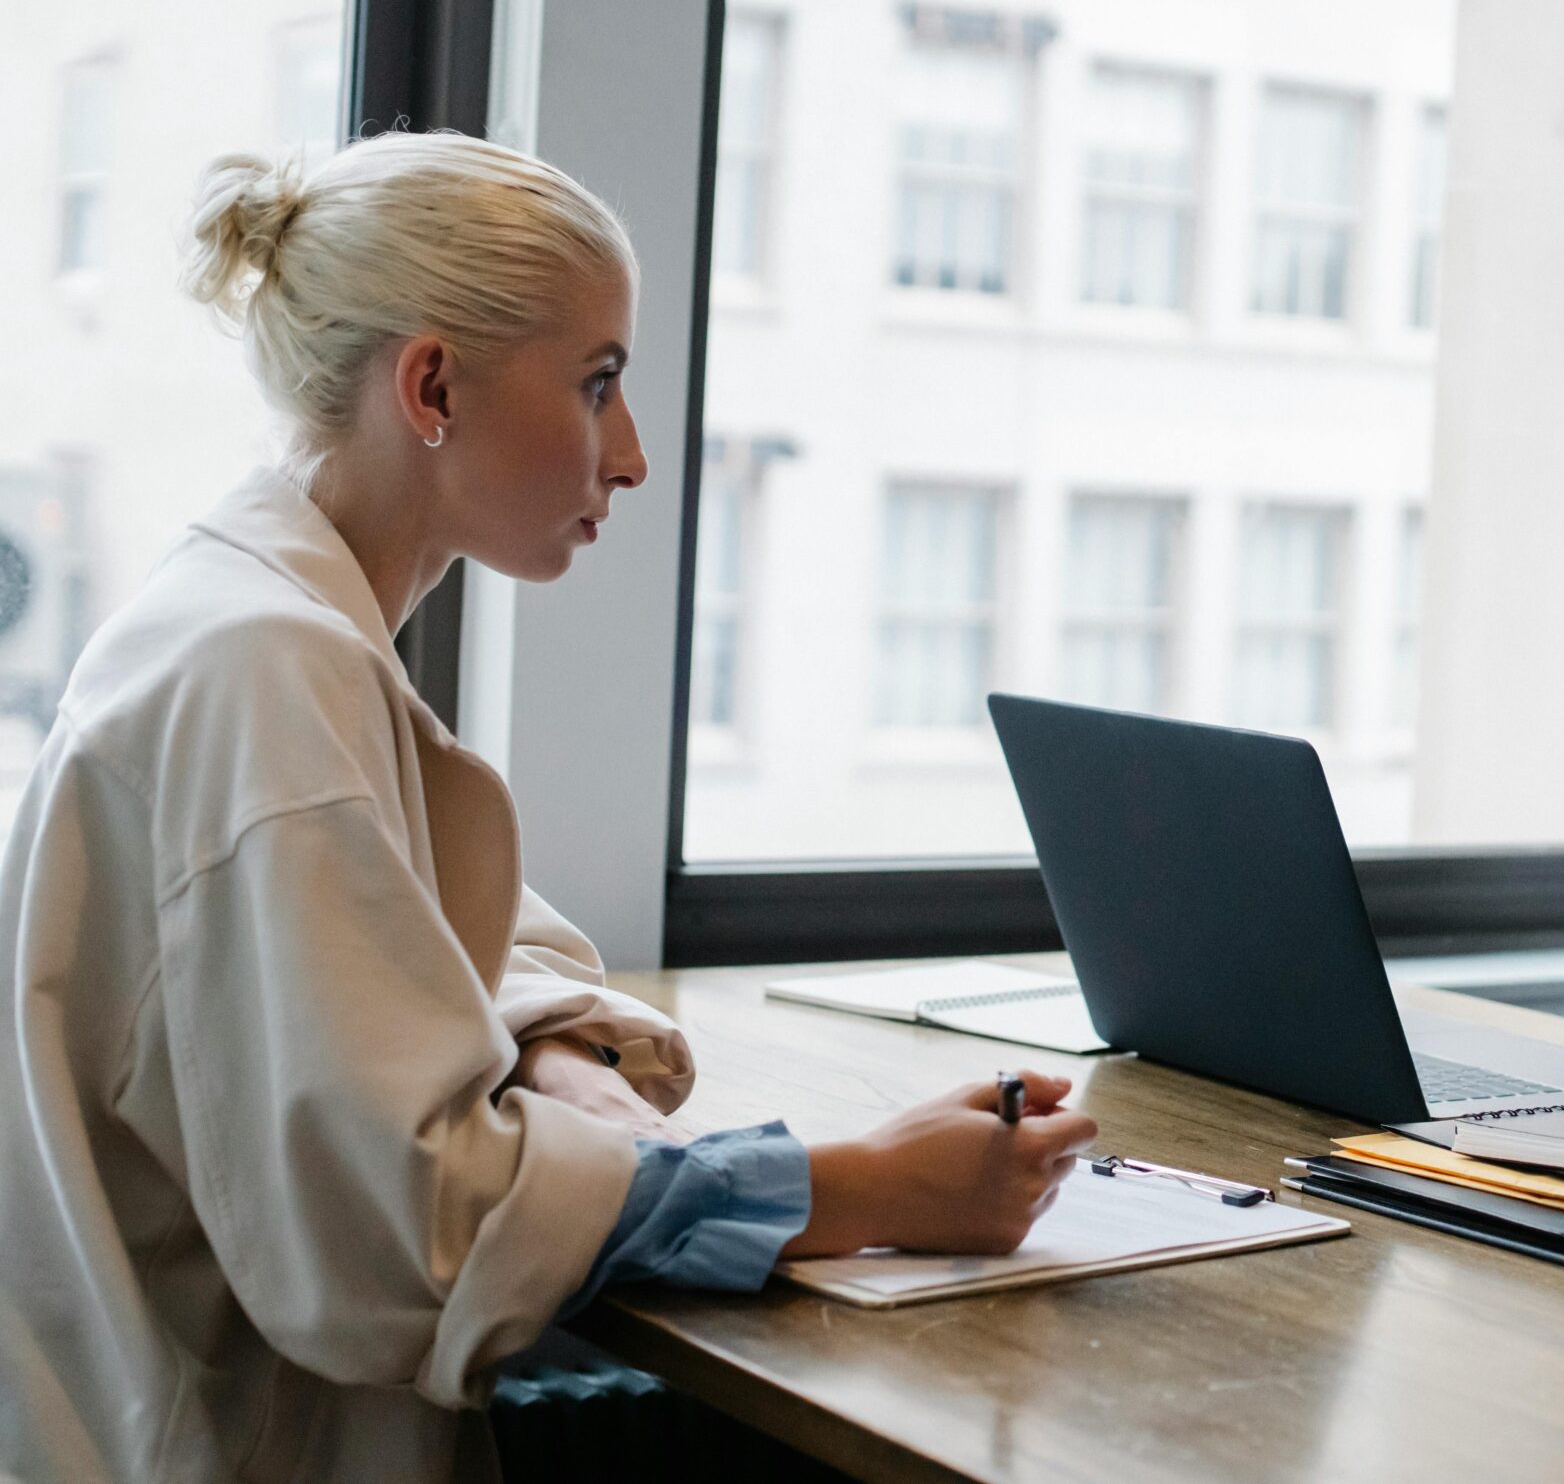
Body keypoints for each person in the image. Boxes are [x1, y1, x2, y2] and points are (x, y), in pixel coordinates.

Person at [0, 131, 1098, 1483]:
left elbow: (467, 954)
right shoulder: (264, 667)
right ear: (432, 383)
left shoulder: (256, 617)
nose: (629, 455)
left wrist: (560, 1062)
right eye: (599, 383)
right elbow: (414, 1231)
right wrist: (863, 1184)